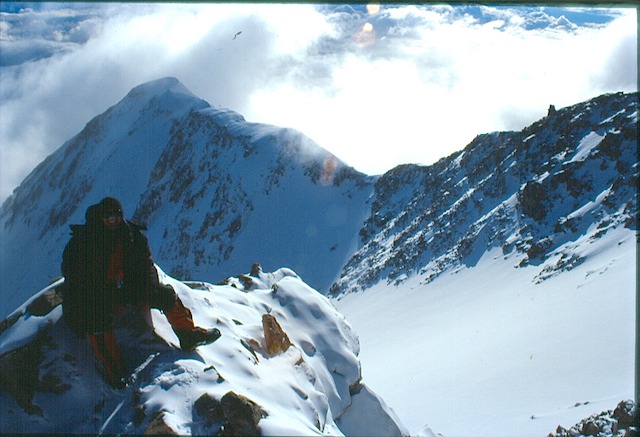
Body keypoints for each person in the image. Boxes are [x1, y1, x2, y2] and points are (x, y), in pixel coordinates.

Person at [61, 197, 220, 387]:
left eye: (116, 215)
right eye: (108, 216)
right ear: (100, 217)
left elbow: (148, 267)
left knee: (165, 294)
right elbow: (73, 277)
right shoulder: (84, 241)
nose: (112, 220)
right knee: (96, 321)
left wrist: (145, 290)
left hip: (125, 288)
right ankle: (115, 372)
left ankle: (188, 335)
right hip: (94, 295)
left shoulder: (131, 235)